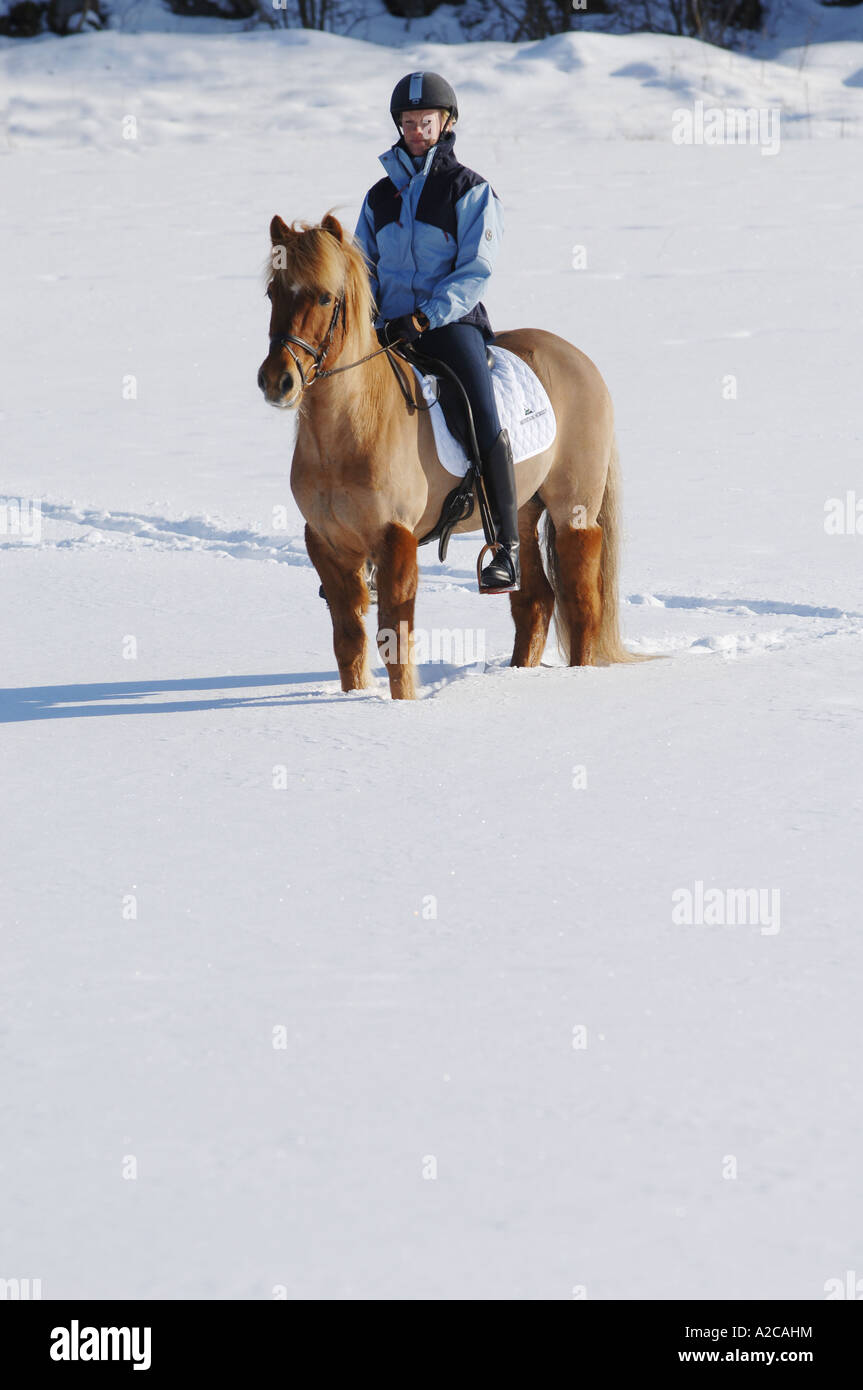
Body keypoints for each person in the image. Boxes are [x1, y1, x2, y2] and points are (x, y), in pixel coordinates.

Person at [353, 72, 520, 593]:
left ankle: (505, 547)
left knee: (479, 410)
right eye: (407, 122)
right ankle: (361, 543)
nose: (416, 130)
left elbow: (477, 269)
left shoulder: (469, 189)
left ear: (446, 123)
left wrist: (426, 316)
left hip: (448, 325)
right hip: (387, 329)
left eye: (425, 121)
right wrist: (374, 316)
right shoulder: (379, 196)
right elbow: (363, 267)